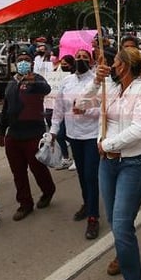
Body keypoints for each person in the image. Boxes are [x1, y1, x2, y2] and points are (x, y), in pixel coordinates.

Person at [80, 46, 141, 280]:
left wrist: (106, 144)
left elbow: (140, 130)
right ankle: (123, 255)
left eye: (113, 62)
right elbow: (81, 105)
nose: (109, 64)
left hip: (134, 164)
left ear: (124, 66)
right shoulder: (109, 88)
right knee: (114, 221)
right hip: (107, 164)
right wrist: (95, 81)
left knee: (122, 225)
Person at [0, 49, 55, 221]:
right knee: (18, 172)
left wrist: (32, 82)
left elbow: (46, 89)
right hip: (13, 135)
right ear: (15, 63)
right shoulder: (11, 83)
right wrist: (1, 131)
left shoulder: (36, 79)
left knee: (37, 168)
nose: (23, 62)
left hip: (33, 134)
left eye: (26, 59)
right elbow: (6, 109)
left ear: (31, 63)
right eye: (20, 59)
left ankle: (48, 191)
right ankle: (25, 204)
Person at [50, 49, 101, 239]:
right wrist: (53, 132)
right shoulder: (66, 82)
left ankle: (94, 217)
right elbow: (58, 110)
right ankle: (87, 204)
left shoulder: (98, 81)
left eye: (84, 58)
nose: (80, 60)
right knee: (81, 175)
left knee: (90, 176)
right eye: (78, 57)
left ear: (91, 61)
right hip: (73, 136)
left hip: (92, 135)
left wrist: (86, 110)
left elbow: (105, 110)